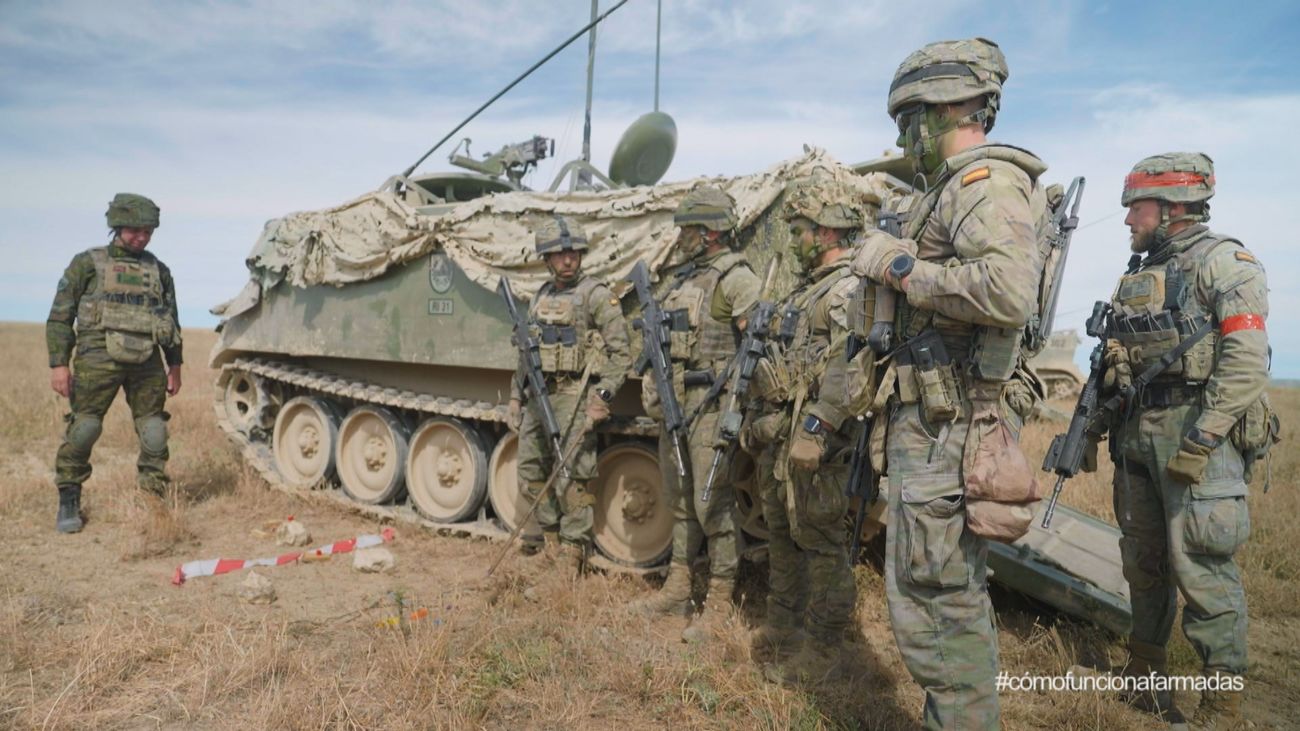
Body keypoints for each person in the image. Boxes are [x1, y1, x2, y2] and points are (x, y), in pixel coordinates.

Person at [849, 38, 1050, 728]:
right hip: (937, 425)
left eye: (909, 121)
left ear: (941, 110)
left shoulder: (982, 185)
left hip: (948, 430)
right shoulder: (955, 191)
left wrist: (899, 268)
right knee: (945, 601)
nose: (903, 137)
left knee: (938, 607)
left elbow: (1006, 293)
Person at [1098, 152, 1269, 727]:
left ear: (1171, 208)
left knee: (1201, 565)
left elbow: (1245, 361)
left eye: (1135, 208)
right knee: (1143, 564)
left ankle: (1222, 705)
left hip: (1197, 435)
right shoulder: (1138, 274)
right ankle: (1145, 680)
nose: (1127, 221)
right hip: (1137, 436)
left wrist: (1202, 438)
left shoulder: (1226, 263)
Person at [629, 186, 761, 645]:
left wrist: (737, 405)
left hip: (712, 406)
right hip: (676, 406)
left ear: (707, 233)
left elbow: (757, 345)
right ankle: (680, 586)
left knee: (713, 504)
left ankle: (721, 601)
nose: (680, 236)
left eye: (687, 228)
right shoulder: (682, 279)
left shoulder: (735, 277)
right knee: (680, 498)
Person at [747, 177, 864, 684]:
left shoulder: (843, 290)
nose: (793, 239)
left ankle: (823, 649)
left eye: (800, 230)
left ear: (825, 230)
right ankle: (783, 624)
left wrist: (817, 428)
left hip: (818, 440)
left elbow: (848, 364)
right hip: (782, 432)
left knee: (820, 541)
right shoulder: (805, 289)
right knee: (780, 532)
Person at [47, 193, 183, 534]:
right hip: (96, 358)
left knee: (154, 431)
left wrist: (175, 365)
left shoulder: (159, 271)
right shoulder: (87, 264)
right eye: (135, 230)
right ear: (117, 225)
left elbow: (171, 321)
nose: (142, 237)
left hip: (146, 360)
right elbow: (59, 317)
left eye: (148, 231)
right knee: (85, 428)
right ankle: (69, 497)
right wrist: (59, 364)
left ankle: (153, 499)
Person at [507, 215, 631, 575]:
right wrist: (516, 396)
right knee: (530, 471)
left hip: (576, 396)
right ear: (547, 259)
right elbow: (526, 356)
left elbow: (620, 353)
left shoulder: (596, 296)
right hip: (539, 396)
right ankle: (551, 540)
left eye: (573, 253)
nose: (567, 260)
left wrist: (602, 397)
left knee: (574, 476)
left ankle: (573, 552)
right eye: (559, 255)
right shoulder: (540, 297)